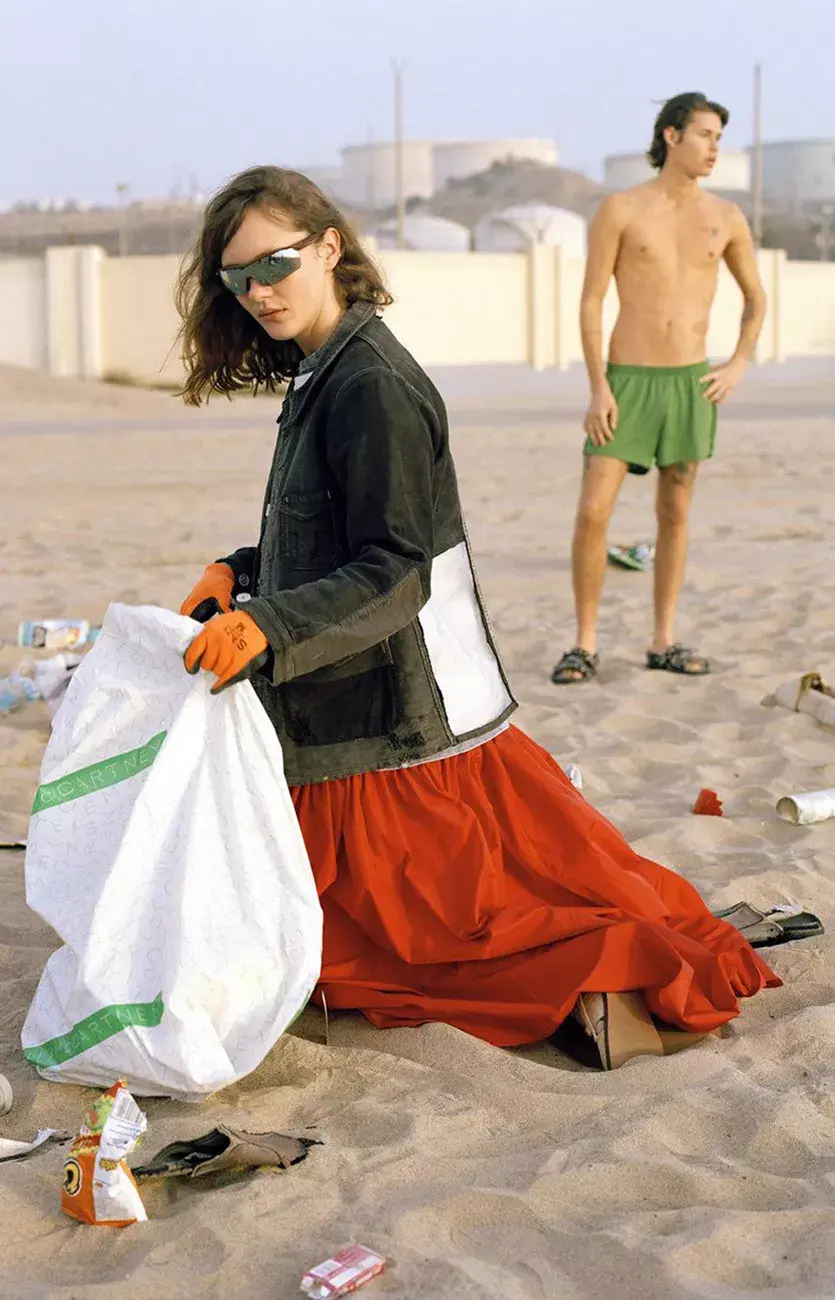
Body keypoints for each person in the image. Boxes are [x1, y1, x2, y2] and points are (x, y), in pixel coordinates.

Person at [175, 165, 778, 1071]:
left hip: (390, 729)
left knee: (427, 954)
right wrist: (245, 570)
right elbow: (336, 535)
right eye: (238, 279)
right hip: (347, 711)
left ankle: (604, 992)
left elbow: (395, 571)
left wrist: (271, 630)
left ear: (330, 247)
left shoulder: (371, 384)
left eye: (277, 264)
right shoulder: (323, 371)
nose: (258, 292)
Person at [551, 93, 767, 686]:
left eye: (719, 137)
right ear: (671, 136)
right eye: (704, 135)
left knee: (675, 510)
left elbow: (756, 299)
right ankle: (584, 643)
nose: (714, 148)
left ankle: (663, 638)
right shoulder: (620, 208)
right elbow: (592, 300)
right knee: (594, 512)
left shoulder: (727, 217)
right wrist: (599, 387)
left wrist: (739, 363)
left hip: (692, 384)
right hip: (626, 382)